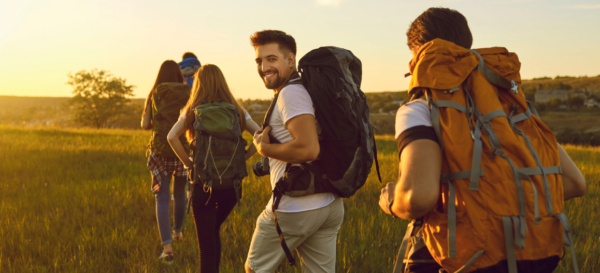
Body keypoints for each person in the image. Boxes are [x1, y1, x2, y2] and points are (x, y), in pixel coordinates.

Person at [378, 7, 587, 273]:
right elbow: (574, 182)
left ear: (420, 53)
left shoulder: (419, 108)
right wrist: (504, 206)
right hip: (535, 255)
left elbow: (418, 197)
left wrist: (392, 200)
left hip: (466, 257)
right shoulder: (509, 107)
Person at [245, 30, 344, 273]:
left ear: (290, 60)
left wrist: (263, 148)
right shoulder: (304, 89)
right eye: (259, 61)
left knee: (254, 269)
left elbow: (309, 148)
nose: (264, 67)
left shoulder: (291, 93)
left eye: (271, 59)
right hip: (328, 203)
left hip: (296, 206)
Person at [167, 64, 261, 272]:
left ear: (198, 85)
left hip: (203, 187)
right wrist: (243, 157)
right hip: (231, 187)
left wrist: (189, 164)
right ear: (222, 83)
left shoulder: (191, 110)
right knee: (213, 231)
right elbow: (262, 135)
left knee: (206, 248)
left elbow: (171, 137)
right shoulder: (237, 111)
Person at [141, 60, 191, 264]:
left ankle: (168, 249)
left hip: (161, 151)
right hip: (181, 150)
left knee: (161, 199)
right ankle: (178, 232)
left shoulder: (154, 93)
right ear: (179, 75)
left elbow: (145, 125)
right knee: (179, 194)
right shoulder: (189, 93)